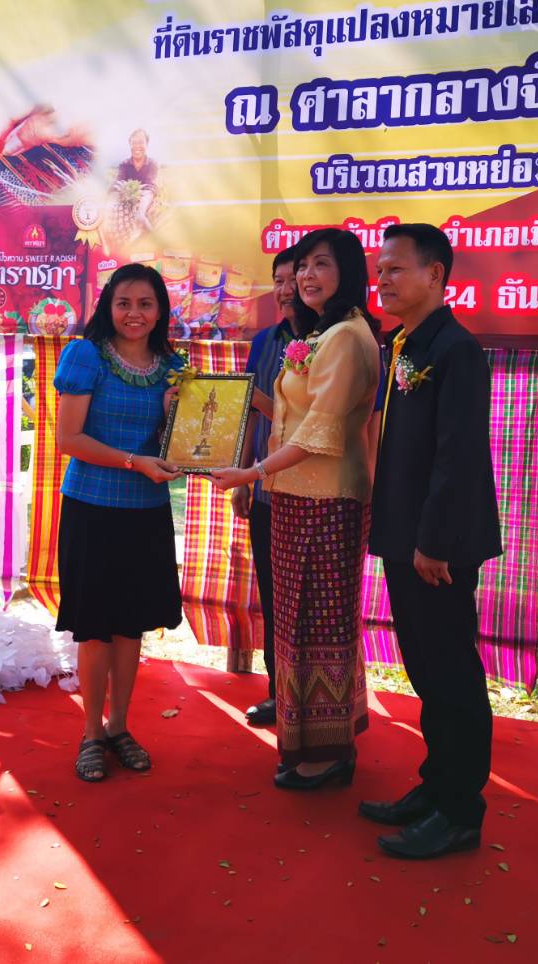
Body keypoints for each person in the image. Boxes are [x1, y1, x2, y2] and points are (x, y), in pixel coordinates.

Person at [210, 229, 381, 788]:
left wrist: (251, 473)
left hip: (327, 500)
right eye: (302, 266)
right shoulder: (321, 333)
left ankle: (329, 754)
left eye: (320, 265)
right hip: (296, 496)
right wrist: (224, 394)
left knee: (319, 624)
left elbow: (320, 434)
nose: (306, 276)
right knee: (297, 622)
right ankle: (311, 737)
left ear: (347, 272)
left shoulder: (347, 337)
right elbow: (291, 416)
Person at [359, 222, 503, 859]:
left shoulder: (455, 349)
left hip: (437, 545)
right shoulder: (405, 344)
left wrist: (435, 542)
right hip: (405, 534)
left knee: (451, 673)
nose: (383, 280)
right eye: (380, 271)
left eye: (395, 269)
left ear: (435, 275)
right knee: (423, 666)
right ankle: (436, 785)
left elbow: (458, 454)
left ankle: (461, 811)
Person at [53, 263, 185, 783]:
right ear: (109, 306)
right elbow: (69, 439)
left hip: (146, 513)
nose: (134, 313)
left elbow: (178, 444)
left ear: (160, 311)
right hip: (91, 510)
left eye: (145, 304)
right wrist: (135, 462)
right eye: (124, 303)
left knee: (131, 627)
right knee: (95, 630)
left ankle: (119, 727)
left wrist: (177, 419)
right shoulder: (86, 355)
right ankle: (90, 733)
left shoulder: (173, 366)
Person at [230, 246, 301, 728]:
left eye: (295, 278)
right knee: (274, 597)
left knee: (309, 606)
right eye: (278, 280)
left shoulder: (332, 340)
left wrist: (254, 397)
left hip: (314, 493)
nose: (287, 289)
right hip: (263, 490)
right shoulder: (265, 341)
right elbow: (250, 414)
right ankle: (280, 693)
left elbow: (315, 426)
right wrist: (242, 476)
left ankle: (314, 703)